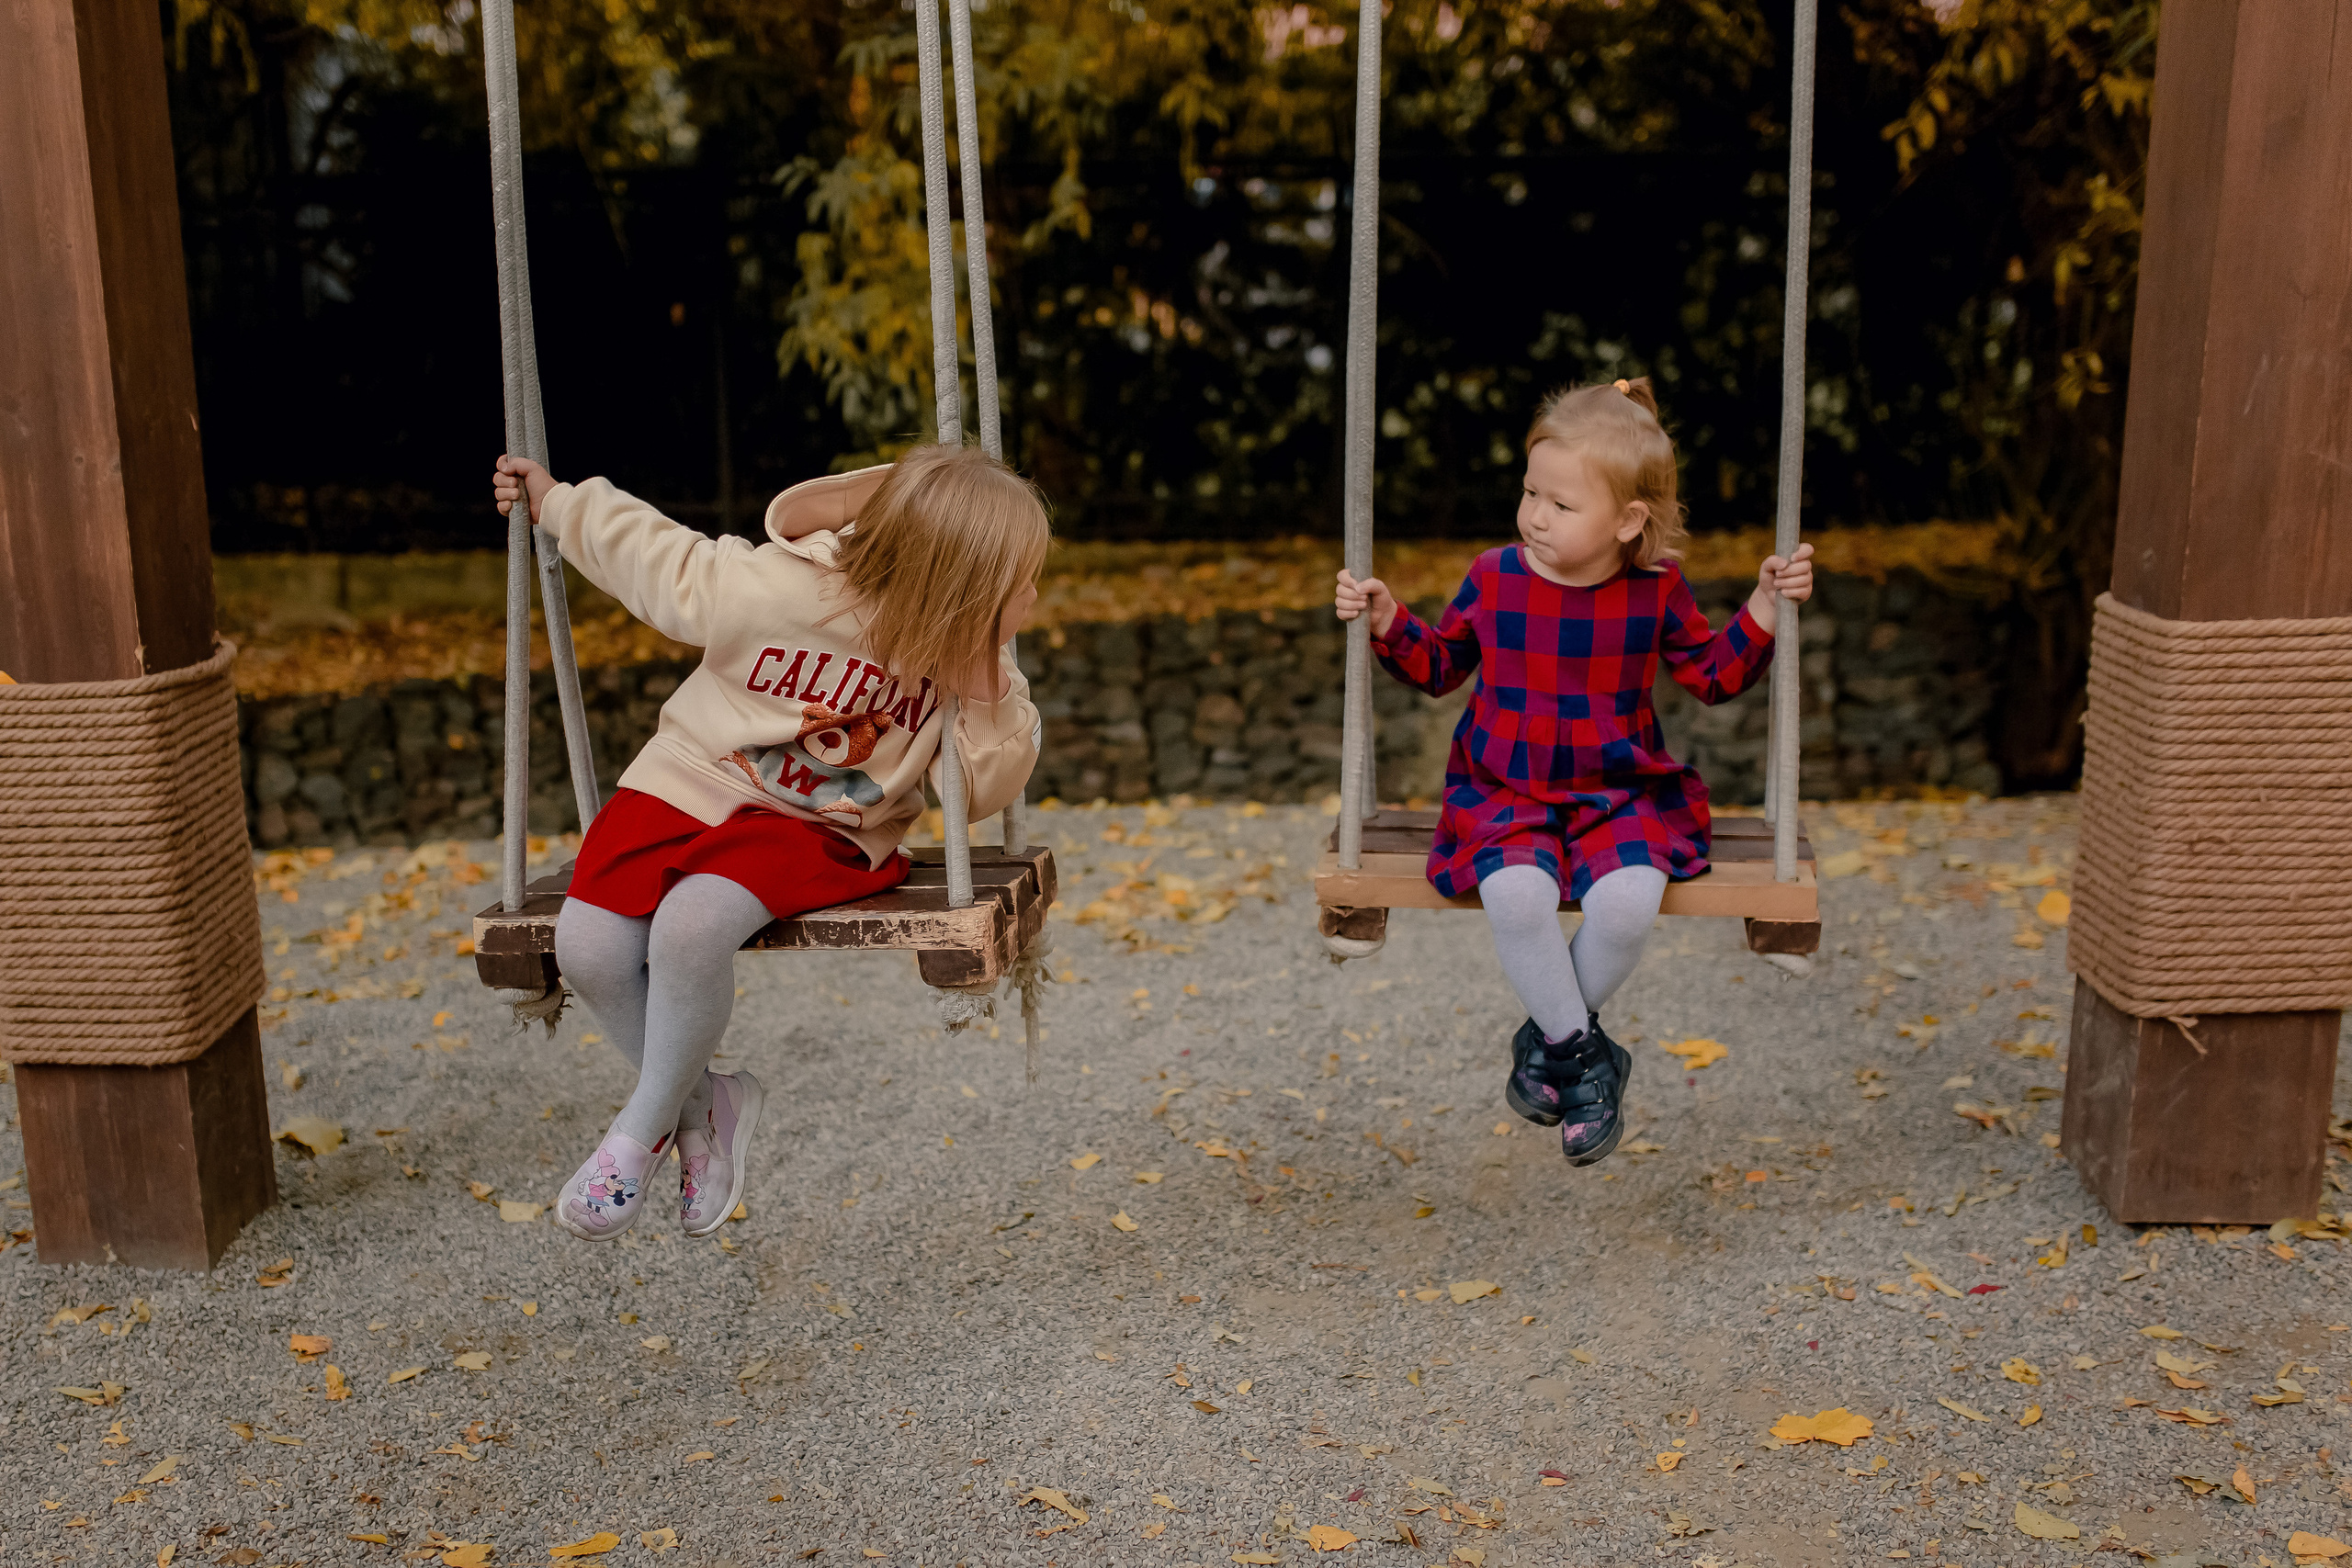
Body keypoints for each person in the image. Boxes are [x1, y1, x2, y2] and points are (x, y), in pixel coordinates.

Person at [492, 445, 1047, 1239]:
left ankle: (639, 1132)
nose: (1031, 594)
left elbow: (986, 792)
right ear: (957, 579)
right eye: (1017, 582)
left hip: (823, 825)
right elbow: (655, 555)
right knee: (588, 948)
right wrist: (556, 501)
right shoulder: (778, 588)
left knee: (691, 924)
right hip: (689, 781)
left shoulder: (952, 656)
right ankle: (703, 1110)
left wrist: (988, 671)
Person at [1333, 378, 1813, 1166]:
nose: (1534, 515)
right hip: (1505, 787)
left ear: (1629, 520)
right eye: (1530, 492)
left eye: (1560, 504)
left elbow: (1712, 675)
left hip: (1618, 790)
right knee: (1516, 895)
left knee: (1628, 905)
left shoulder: (1655, 591)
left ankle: (1551, 1044)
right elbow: (1444, 665)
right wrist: (1390, 621)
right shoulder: (1496, 576)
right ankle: (1587, 1064)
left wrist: (1763, 605)